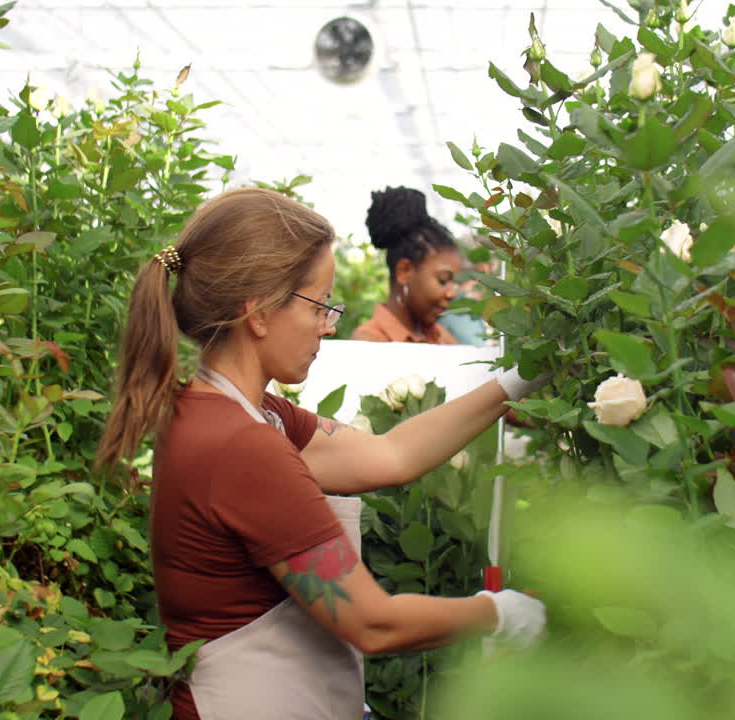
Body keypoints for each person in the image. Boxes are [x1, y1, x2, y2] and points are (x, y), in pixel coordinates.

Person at [95, 188, 548, 720]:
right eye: (318, 306)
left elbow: (390, 454)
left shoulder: (237, 413)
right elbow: (371, 622)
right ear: (259, 312)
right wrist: (499, 613)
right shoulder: (241, 446)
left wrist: (515, 383)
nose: (329, 325)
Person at [350, 186, 462, 344]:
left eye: (454, 282)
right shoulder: (369, 342)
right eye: (443, 280)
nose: (452, 293)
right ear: (404, 271)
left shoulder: (443, 339)